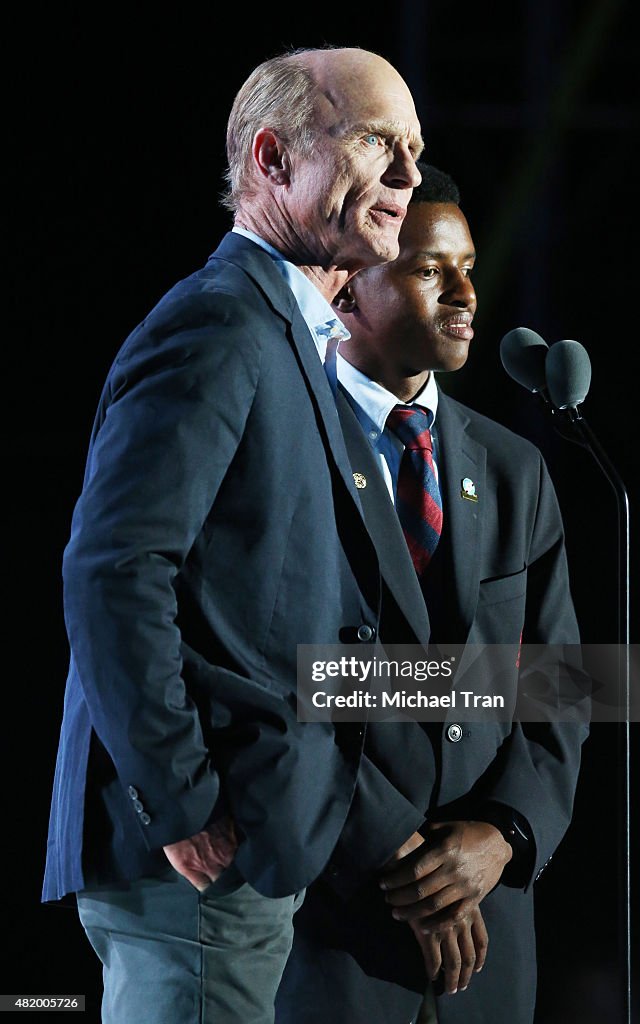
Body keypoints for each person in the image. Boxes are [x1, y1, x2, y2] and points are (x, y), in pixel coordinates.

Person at [42, 46, 424, 1024]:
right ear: (271, 157)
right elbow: (112, 568)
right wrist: (182, 800)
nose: (408, 179)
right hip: (194, 868)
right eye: (380, 143)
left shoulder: (281, 333)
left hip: (239, 859)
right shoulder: (219, 326)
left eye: (415, 152)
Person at [274, 163, 589, 1024]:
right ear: (345, 288)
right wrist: (399, 859)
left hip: (491, 933)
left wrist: (503, 836)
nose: (463, 294)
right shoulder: (281, 443)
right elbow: (273, 680)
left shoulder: (513, 468)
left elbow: (557, 680)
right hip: (336, 922)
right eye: (426, 269)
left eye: (468, 267)